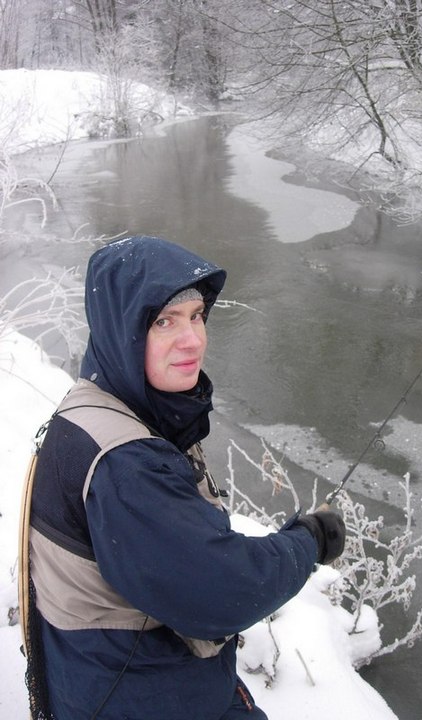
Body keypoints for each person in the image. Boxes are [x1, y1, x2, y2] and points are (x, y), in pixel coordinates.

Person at [25, 235, 346, 720]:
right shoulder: (126, 466)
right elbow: (224, 590)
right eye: (164, 321)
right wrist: (310, 540)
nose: (193, 339)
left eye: (196, 316)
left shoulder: (97, 402)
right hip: (140, 696)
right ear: (122, 331)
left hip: (106, 677)